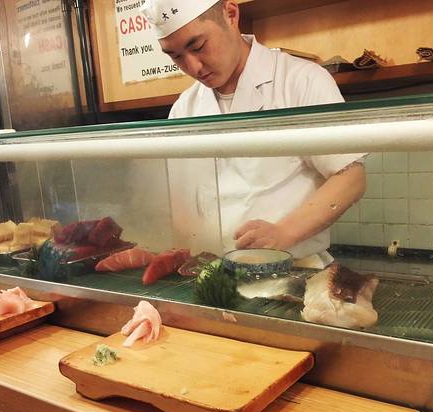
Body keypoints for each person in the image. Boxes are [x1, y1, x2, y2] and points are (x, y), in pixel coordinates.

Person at [142, 0, 367, 266]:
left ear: (231, 14)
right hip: (213, 270)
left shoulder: (301, 80)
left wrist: (283, 233)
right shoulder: (184, 108)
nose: (193, 67)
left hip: (295, 268)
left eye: (198, 46)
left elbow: (350, 179)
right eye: (175, 56)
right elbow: (180, 201)